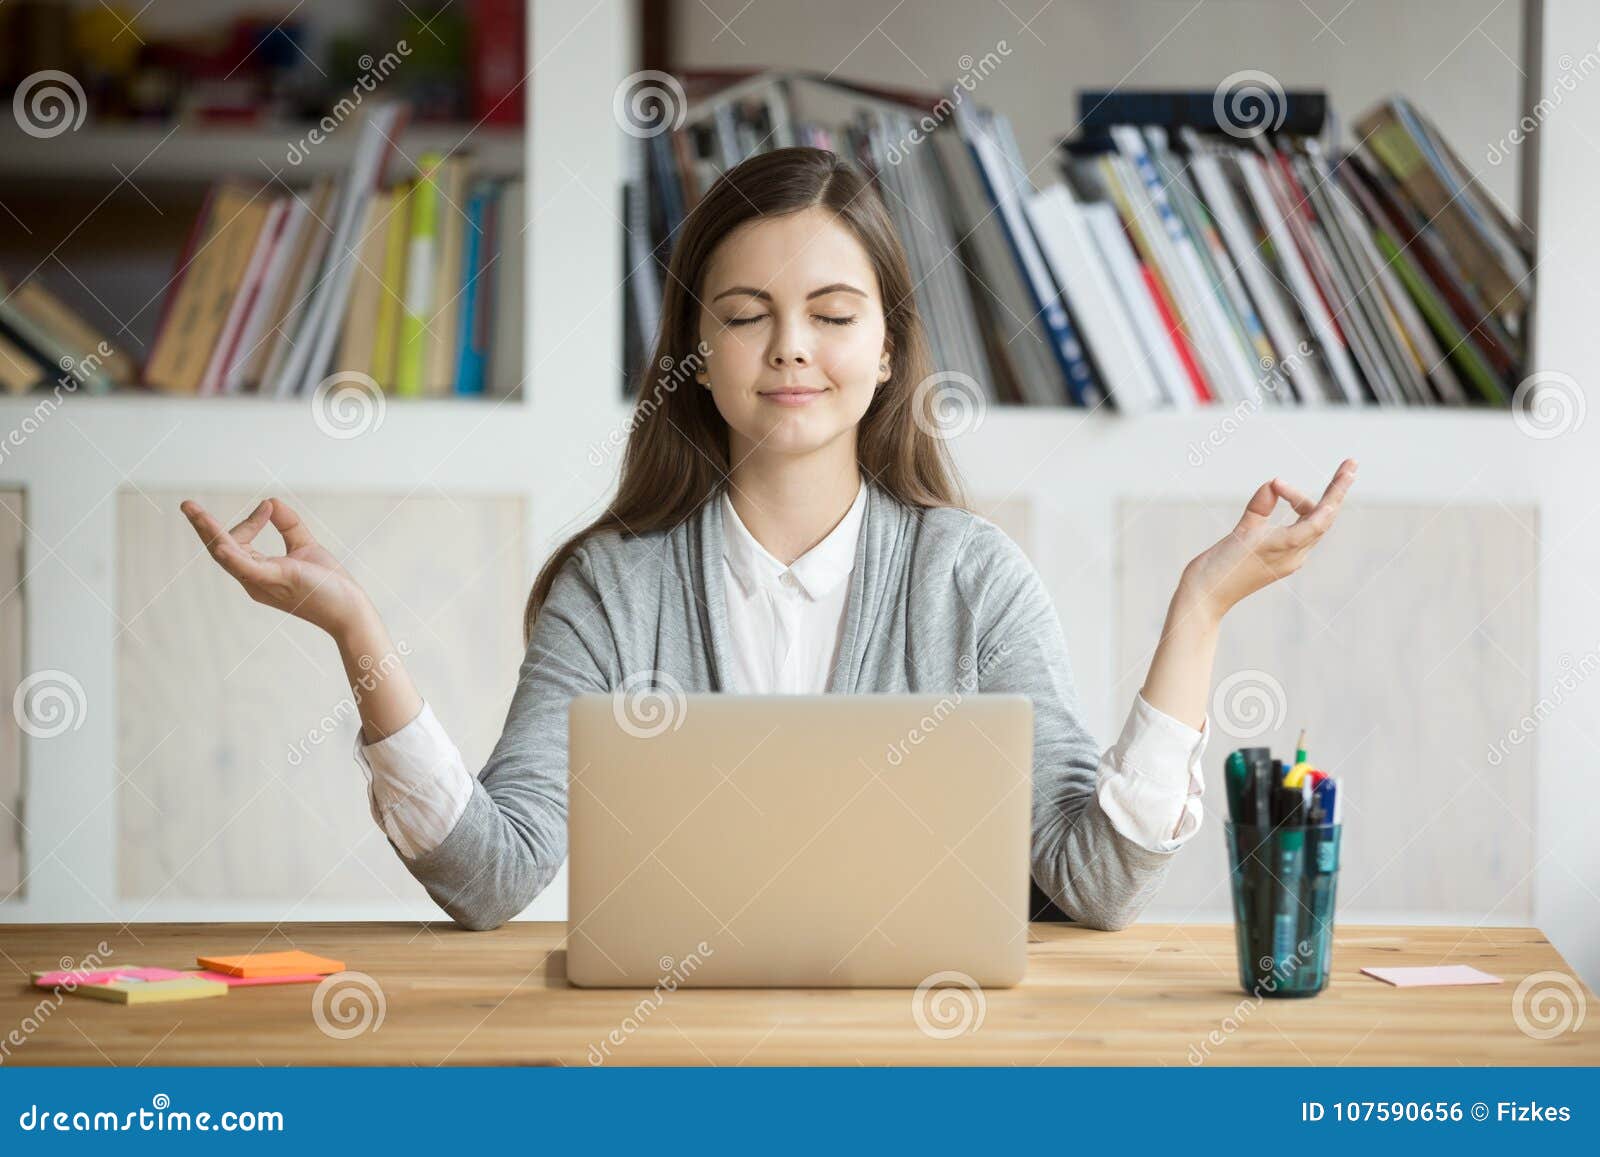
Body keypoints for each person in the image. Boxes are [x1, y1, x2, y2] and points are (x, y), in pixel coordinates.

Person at [181, 147, 1355, 933]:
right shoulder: (613, 587)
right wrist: (356, 631)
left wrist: (1198, 609)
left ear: (888, 347)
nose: (791, 348)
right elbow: (492, 879)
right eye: (745, 317)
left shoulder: (971, 578)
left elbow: (1091, 883)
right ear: (694, 352)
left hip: (928, 1069)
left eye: (833, 317)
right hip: (673, 1068)